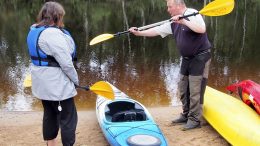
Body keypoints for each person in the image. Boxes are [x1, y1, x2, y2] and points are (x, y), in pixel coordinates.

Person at [129, 0, 211, 131]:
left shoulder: (192, 13)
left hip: (200, 57)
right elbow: (156, 30)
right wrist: (139, 33)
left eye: (170, 7)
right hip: (187, 58)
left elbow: (201, 29)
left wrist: (183, 21)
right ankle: (185, 115)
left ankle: (195, 120)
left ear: (179, 6)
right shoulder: (173, 22)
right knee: (183, 87)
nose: (168, 9)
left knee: (195, 90)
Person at [27, 2, 79, 145]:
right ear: (57, 16)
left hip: (42, 85)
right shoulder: (51, 34)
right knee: (68, 119)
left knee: (50, 114)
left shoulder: (34, 30)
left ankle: (51, 144)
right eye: (61, 16)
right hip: (57, 86)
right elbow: (66, 63)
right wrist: (75, 81)